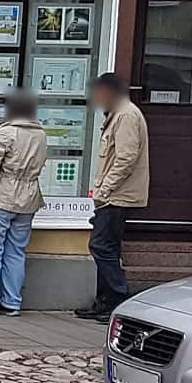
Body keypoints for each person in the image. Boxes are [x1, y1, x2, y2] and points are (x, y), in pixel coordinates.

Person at [77, 72, 150, 321]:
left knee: (101, 246)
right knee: (106, 247)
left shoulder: (127, 115)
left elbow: (125, 157)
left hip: (118, 196)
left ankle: (118, 300)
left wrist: (105, 189)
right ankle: (105, 301)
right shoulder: (118, 113)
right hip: (113, 194)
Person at [0, 89, 48, 316]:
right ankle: (12, 302)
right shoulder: (40, 134)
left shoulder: (5, 133)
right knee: (16, 251)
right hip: (29, 198)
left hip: (0, 196)